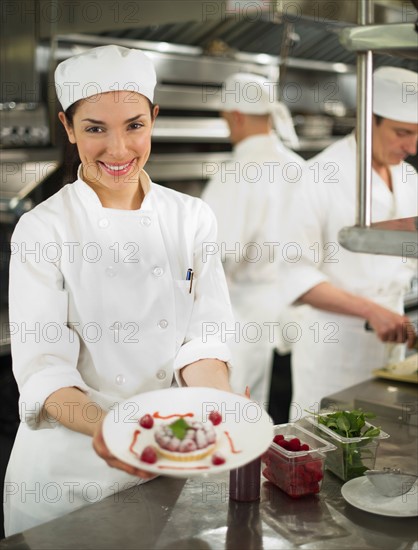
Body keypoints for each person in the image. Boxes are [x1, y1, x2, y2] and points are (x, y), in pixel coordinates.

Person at [4, 45, 235, 536]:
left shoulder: (192, 218)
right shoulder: (42, 229)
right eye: (94, 129)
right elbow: (44, 370)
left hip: (167, 461)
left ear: (153, 117)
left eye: (134, 125)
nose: (118, 149)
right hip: (69, 480)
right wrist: (113, 430)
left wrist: (218, 405)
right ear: (68, 128)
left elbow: (204, 337)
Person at [281, 66, 418, 415]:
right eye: (402, 132)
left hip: (394, 343)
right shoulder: (316, 177)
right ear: (367, 118)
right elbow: (293, 277)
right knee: (327, 448)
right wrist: (373, 311)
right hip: (334, 348)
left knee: (382, 449)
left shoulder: (408, 176)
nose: (412, 146)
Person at [202, 73, 304, 407]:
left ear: (237, 116)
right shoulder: (300, 167)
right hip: (296, 317)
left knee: (240, 419)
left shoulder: (235, 173)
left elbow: (211, 254)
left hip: (245, 318)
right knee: (285, 421)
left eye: (225, 119)